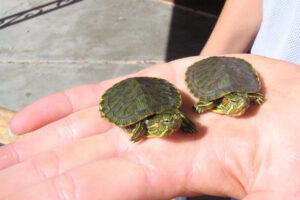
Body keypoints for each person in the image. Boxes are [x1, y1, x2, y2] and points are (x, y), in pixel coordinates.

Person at [1, 1, 300, 200]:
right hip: (254, 62)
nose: (174, 121)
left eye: (174, 119)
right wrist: (210, 57)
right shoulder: (159, 119)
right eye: (172, 120)